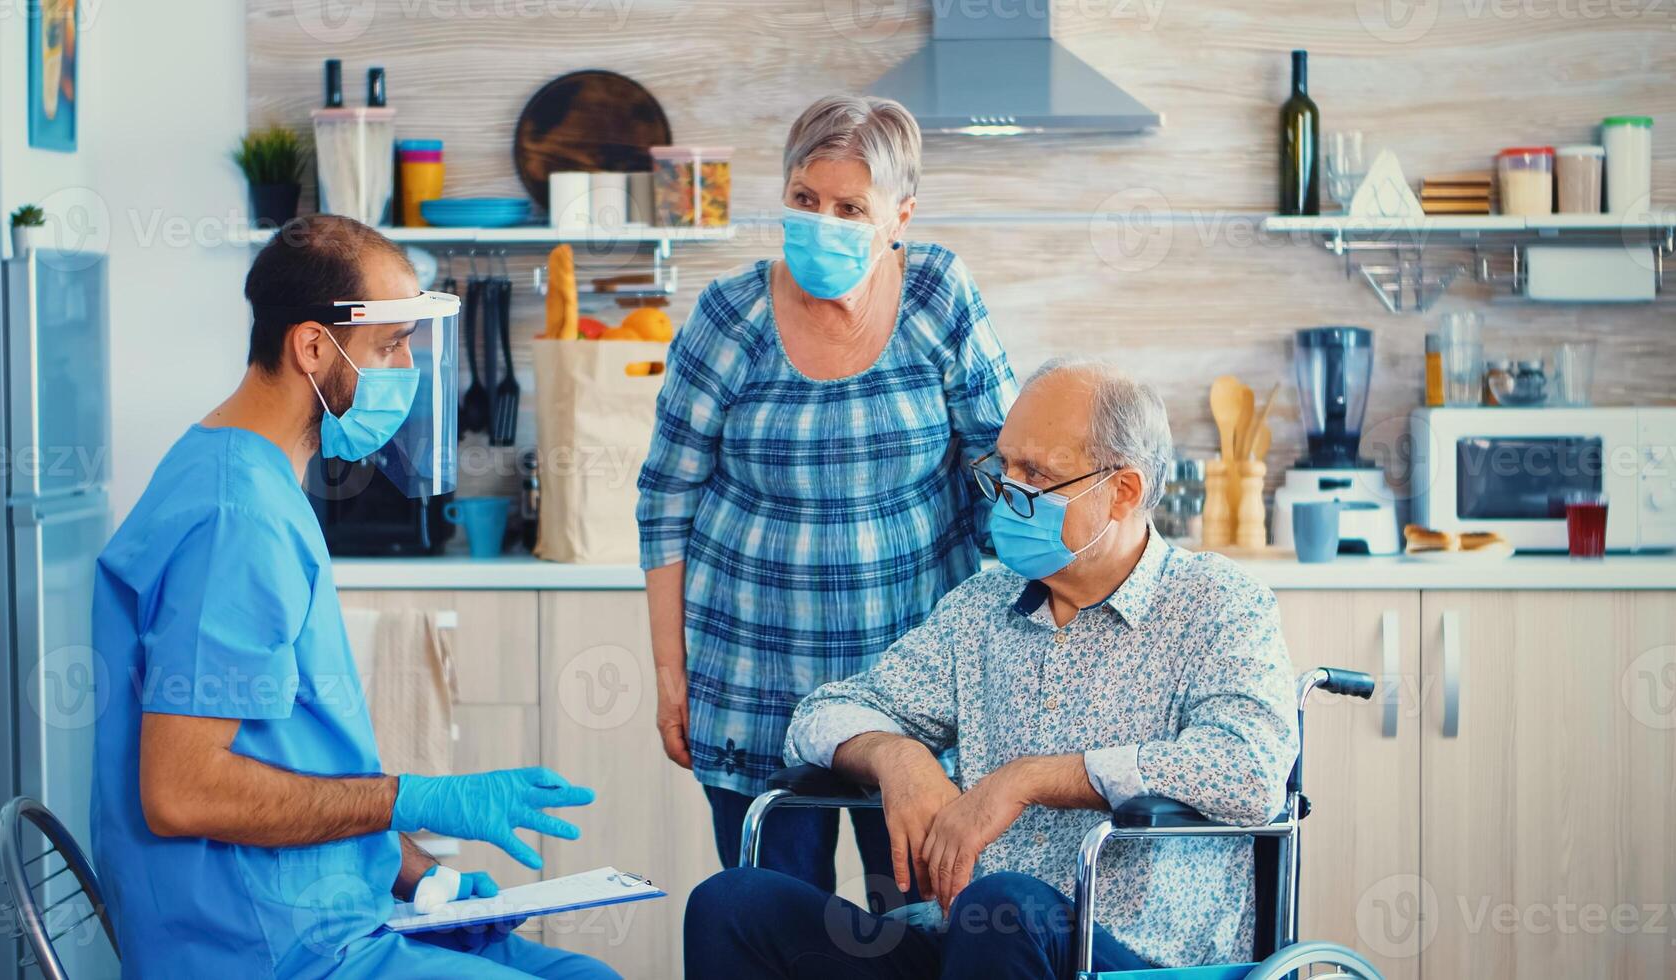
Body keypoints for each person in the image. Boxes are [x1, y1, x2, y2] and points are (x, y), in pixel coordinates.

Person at [89, 215, 617, 980]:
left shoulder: (247, 474)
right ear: (312, 347)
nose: (406, 368)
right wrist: (412, 798)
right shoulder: (235, 520)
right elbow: (181, 791)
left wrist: (419, 875)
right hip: (262, 946)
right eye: (390, 346)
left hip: (326, 909)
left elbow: (290, 759)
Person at [683, 360, 1300, 978]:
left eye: (1036, 473)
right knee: (731, 904)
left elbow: (1248, 770)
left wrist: (1027, 779)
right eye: (1004, 467)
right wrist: (897, 759)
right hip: (974, 940)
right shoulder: (983, 606)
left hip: (1134, 960)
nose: (1008, 492)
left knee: (1006, 903)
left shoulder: (1220, 603)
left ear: (1124, 491)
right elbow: (820, 715)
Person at [636, 95, 1017, 898]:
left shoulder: (938, 296)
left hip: (915, 705)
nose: (824, 222)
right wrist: (671, 674)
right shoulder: (729, 316)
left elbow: (1005, 474)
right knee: (774, 933)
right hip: (752, 690)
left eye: (851, 208)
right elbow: (666, 499)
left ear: (899, 216)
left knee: (914, 928)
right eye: (806, 200)